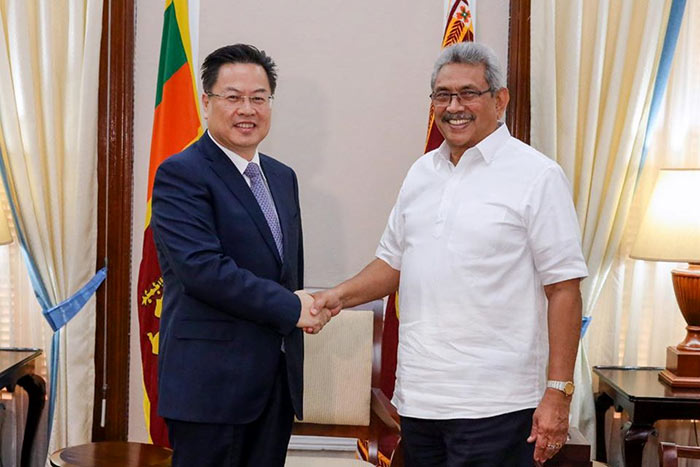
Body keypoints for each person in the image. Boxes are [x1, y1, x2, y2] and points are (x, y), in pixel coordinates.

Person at [312, 42, 588, 466]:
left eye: (468, 93)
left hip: (499, 407)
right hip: (420, 403)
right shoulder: (421, 173)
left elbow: (564, 288)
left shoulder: (537, 176)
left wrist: (558, 392)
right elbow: (393, 263)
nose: (454, 106)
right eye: (443, 95)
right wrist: (337, 297)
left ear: (499, 99)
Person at [150, 44, 330, 467]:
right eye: (232, 97)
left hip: (274, 385)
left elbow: (286, 271)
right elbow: (202, 270)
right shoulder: (181, 173)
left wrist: (301, 304)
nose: (246, 109)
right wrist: (292, 307)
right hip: (210, 389)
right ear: (206, 102)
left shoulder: (282, 177)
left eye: (258, 97)